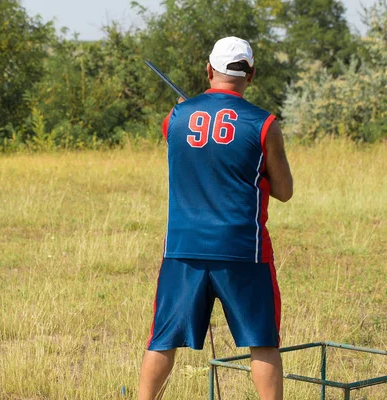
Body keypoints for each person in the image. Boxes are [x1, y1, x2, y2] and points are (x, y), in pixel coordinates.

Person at [138, 36, 293, 400]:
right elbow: (284, 190)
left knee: (162, 339)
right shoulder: (264, 123)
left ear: (209, 70)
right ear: (251, 75)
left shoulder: (175, 117)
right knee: (263, 341)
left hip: (183, 247)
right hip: (244, 249)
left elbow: (188, 134)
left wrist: (188, 108)